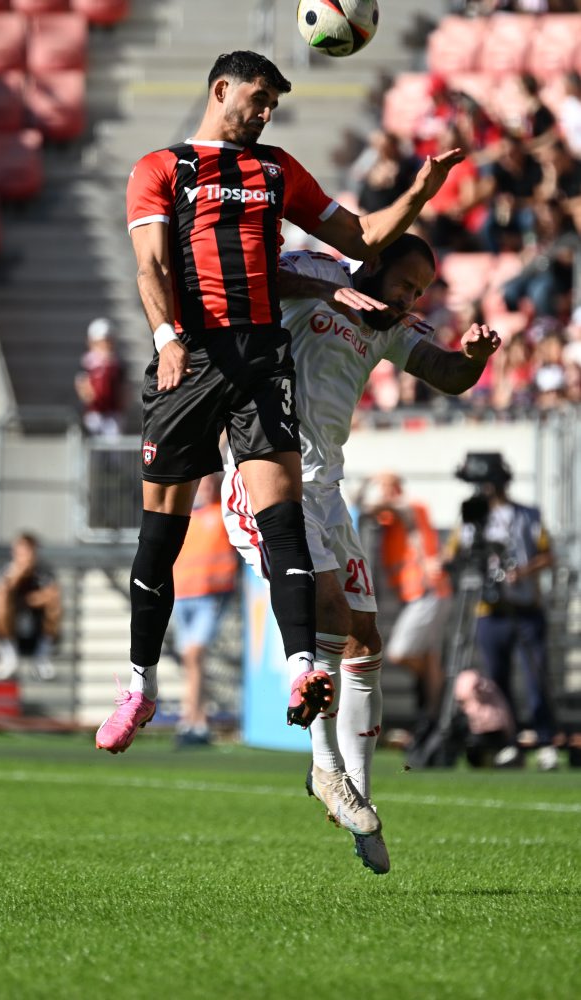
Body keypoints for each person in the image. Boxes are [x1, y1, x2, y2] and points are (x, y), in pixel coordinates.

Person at [95, 50, 464, 762]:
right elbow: (151, 264)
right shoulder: (162, 168)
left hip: (262, 360)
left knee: (283, 520)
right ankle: (140, 683)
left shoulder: (277, 171)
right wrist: (167, 336)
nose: (265, 114)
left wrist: (419, 190)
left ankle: (303, 668)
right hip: (193, 356)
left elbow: (360, 239)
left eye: (274, 106)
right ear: (221, 88)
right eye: (258, 99)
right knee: (159, 537)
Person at [222, 232, 501, 871]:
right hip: (265, 474)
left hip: (327, 491)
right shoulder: (313, 275)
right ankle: (324, 768)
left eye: (419, 292)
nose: (408, 297)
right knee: (330, 614)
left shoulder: (386, 328)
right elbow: (257, 279)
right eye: (404, 283)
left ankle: (359, 795)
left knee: (365, 640)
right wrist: (331, 287)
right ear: (370, 264)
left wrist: (475, 358)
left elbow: (447, 374)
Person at [445, 452, 559, 770]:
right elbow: (451, 556)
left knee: (536, 677)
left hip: (524, 608)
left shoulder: (528, 514)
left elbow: (548, 555)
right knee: (497, 681)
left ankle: (545, 740)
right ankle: (508, 743)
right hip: (487, 610)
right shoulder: (469, 518)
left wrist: (520, 572)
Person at [357, 472, 453, 742]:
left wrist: (371, 487)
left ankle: (440, 688)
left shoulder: (412, 506)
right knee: (429, 656)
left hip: (429, 589)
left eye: (388, 486)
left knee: (401, 652)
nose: (385, 492)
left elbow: (376, 507)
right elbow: (362, 508)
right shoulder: (393, 517)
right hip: (416, 594)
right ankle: (434, 710)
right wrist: (367, 486)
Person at [171, 473, 238, 746]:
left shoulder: (222, 514)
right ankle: (197, 720)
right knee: (191, 660)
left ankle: (191, 720)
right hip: (183, 594)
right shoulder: (187, 517)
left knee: (194, 654)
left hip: (210, 596)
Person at [0, 532, 61, 681]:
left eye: (26, 551)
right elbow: (2, 592)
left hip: (38, 626)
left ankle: (41, 658)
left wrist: (27, 600)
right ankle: (9, 657)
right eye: (19, 551)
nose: (22, 555)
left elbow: (52, 593)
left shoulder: (43, 570)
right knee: (1, 603)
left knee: (54, 605)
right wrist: (18, 573)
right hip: (12, 628)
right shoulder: (8, 569)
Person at [74, 317, 129, 438]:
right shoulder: (87, 363)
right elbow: (83, 388)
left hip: (113, 414)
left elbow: (124, 390)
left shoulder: (117, 364)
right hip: (94, 413)